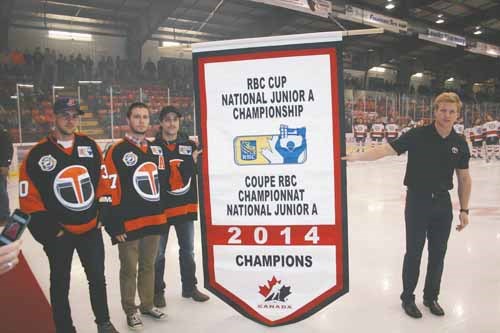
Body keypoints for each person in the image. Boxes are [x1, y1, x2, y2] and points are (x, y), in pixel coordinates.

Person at [343, 92, 472, 319]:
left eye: (451, 112)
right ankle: (408, 297)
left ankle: (431, 297)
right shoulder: (418, 135)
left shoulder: (459, 143)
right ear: (435, 111)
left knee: (438, 254)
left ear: (458, 115)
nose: (446, 115)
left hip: (443, 204)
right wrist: (356, 157)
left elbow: (464, 178)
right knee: (414, 252)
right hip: (417, 201)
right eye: (442, 110)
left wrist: (464, 209)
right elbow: (385, 150)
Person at [18, 98, 118, 333]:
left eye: (75, 115)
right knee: (60, 284)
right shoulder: (37, 154)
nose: (70, 119)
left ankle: (103, 323)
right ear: (54, 117)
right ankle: (64, 328)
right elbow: (29, 200)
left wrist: (103, 212)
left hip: (90, 228)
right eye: (65, 114)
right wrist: (52, 232)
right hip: (59, 233)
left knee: (97, 279)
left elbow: (103, 182)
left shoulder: (90, 145)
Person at [98, 102, 168, 330]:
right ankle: (131, 310)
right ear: (128, 120)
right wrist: (113, 225)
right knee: (129, 269)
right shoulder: (116, 150)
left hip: (154, 220)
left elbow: (162, 185)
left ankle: (147, 304)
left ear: (149, 121)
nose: (141, 121)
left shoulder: (156, 149)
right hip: (128, 223)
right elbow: (107, 188)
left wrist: (163, 215)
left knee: (149, 265)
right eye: (136, 116)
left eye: (145, 117)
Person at [153, 106, 209, 308]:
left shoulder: (190, 145)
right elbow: (159, 179)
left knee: (188, 251)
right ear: (161, 123)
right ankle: (157, 291)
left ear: (179, 122)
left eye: (174, 119)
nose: (171, 123)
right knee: (157, 254)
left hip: (185, 208)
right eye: (167, 119)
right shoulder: (153, 148)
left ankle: (189, 287)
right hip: (162, 210)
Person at [0, 123, 13, 226]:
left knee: (1, 192)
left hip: (0, 167)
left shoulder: (2, 131)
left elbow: (8, 147)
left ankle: (4, 216)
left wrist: (5, 164)